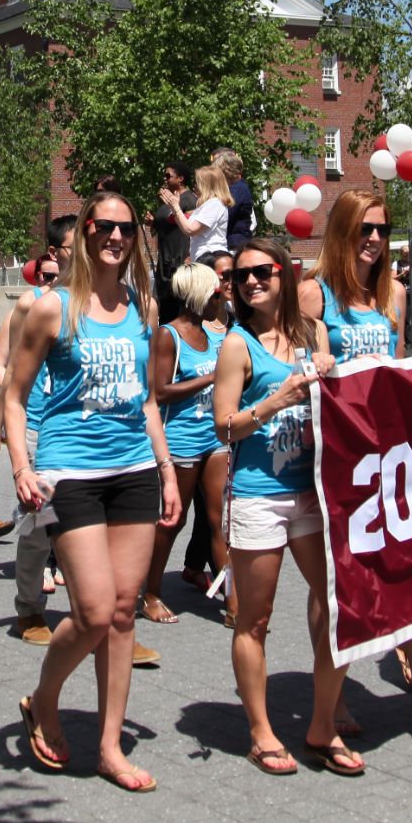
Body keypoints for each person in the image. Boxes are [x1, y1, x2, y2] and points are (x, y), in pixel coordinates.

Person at [5, 192, 182, 793]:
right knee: (92, 610)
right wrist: (21, 467)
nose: (115, 237)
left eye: (126, 228)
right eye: (104, 226)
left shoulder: (142, 306)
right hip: (71, 472)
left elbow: (149, 401)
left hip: (132, 467)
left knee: (125, 612)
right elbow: (14, 394)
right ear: (85, 232)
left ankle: (109, 746)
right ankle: (44, 697)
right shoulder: (53, 308)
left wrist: (167, 469)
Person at [211, 238, 360, 775]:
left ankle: (323, 721)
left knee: (338, 603)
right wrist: (275, 401)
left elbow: (343, 403)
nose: (252, 281)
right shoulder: (237, 345)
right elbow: (223, 426)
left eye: (263, 271)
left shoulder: (313, 332)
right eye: (241, 275)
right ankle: (261, 731)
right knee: (255, 619)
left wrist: (332, 369)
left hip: (314, 491)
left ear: (285, 273)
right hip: (258, 495)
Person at [0, 218, 76, 647]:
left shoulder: (107, 302)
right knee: (38, 525)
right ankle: (28, 608)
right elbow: (5, 373)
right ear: (55, 253)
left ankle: (104, 618)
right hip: (40, 429)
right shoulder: (33, 305)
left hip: (87, 435)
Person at [144, 261, 232, 626]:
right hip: (179, 442)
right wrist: (213, 376)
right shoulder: (169, 335)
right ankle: (149, 592)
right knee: (171, 521)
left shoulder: (214, 336)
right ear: (198, 296)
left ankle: (235, 600)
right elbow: (160, 392)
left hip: (215, 440)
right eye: (215, 292)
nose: (221, 297)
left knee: (219, 521)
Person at [299, 189, 404, 365]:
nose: (376, 238)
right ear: (342, 232)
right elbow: (297, 373)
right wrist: (354, 369)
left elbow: (399, 363)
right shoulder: (311, 294)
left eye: (383, 230)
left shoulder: (395, 292)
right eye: (365, 229)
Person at [150, 163, 195, 322]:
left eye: (168, 175)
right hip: (165, 261)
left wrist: (188, 256)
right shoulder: (169, 199)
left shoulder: (189, 199)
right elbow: (167, 224)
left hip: (179, 260)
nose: (165, 179)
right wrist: (153, 222)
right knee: (164, 308)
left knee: (176, 309)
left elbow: (191, 228)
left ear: (181, 178)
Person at [168, 163, 233, 263]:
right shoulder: (206, 204)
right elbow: (186, 228)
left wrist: (176, 207)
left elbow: (190, 229)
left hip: (211, 258)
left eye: (198, 182)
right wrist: (174, 208)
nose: (195, 185)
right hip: (202, 258)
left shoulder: (214, 204)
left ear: (207, 185)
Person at [214, 147, 254, 252]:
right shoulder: (236, 187)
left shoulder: (237, 189)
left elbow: (225, 214)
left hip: (235, 245)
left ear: (226, 171)